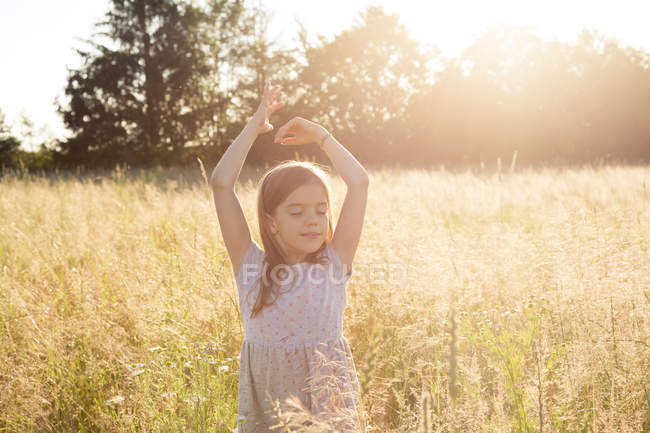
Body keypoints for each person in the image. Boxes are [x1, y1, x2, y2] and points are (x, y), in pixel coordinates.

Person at [209, 81, 370, 432]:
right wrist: (254, 126)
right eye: (296, 212)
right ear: (271, 221)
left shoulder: (334, 262)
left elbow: (359, 181)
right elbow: (221, 182)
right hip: (271, 411)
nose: (313, 219)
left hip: (328, 408)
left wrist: (322, 136)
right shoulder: (250, 267)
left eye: (321, 210)